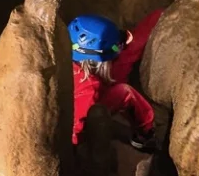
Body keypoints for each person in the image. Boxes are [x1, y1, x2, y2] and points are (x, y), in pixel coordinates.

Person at [69, 9, 165, 149]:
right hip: (92, 108)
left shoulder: (76, 53)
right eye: (116, 47)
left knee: (129, 50)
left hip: (96, 71)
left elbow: (128, 43)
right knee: (125, 92)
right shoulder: (87, 93)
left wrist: (161, 16)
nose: (120, 47)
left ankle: (160, 14)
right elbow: (76, 133)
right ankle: (145, 135)